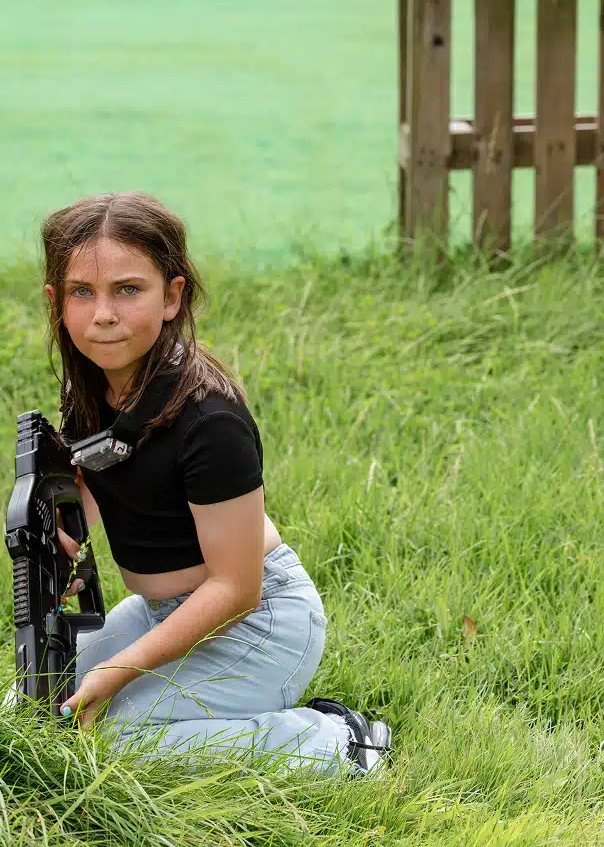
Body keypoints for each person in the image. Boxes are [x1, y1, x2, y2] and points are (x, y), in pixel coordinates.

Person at [39, 191, 391, 775]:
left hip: (257, 624)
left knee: (117, 743)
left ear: (172, 296)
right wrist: (66, 527)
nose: (103, 314)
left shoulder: (211, 420)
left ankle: (334, 745)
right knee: (38, 704)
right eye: (83, 292)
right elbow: (108, 474)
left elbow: (236, 589)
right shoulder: (95, 387)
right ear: (57, 302)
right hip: (163, 611)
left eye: (128, 289)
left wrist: (118, 670)